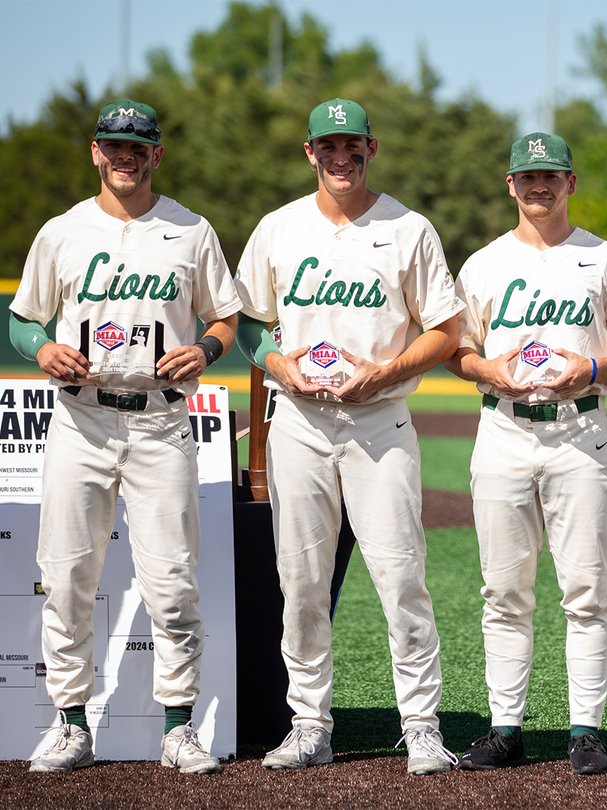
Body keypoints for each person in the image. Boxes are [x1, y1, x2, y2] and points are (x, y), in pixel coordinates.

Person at [9, 99, 239, 774]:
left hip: (163, 417)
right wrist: (41, 350)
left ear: (156, 155)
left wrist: (208, 349)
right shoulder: (62, 232)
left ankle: (177, 726)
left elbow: (224, 317)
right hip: (81, 418)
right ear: (95, 151)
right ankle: (71, 723)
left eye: (136, 147)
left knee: (170, 580)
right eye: (113, 145)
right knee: (67, 575)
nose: (123, 155)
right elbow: (24, 321)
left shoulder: (190, 230)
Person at [234, 98, 462, 775]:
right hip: (298, 422)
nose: (341, 157)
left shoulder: (409, 228)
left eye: (352, 145)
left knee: (401, 577)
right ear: (310, 152)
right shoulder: (278, 228)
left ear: (372, 147)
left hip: (379, 420)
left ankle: (421, 726)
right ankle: (309, 724)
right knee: (300, 581)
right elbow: (247, 324)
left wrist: (385, 371)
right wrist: (280, 366)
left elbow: (445, 332)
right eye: (328, 145)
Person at [445, 132, 607, 776]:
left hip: (580, 433)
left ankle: (586, 729)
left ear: (571, 182)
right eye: (527, 176)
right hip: (504, 431)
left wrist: (591, 366)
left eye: (551, 176)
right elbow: (457, 349)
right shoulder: (482, 264)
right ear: (510, 185)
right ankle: (506, 727)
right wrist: (489, 369)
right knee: (503, 590)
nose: (539, 186)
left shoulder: (606, 258)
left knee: (586, 589)